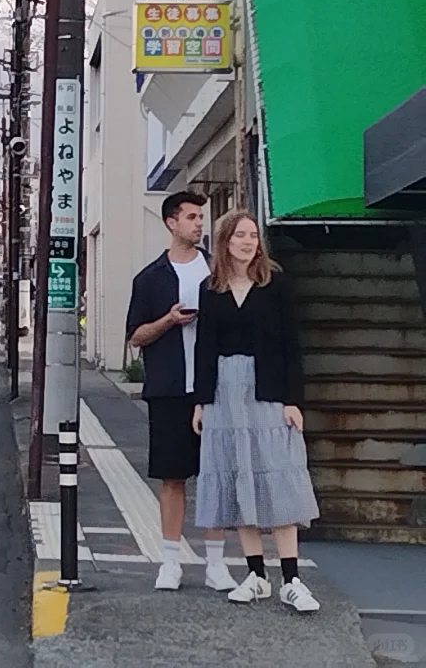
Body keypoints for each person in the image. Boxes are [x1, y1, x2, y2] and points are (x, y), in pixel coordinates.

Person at [193, 209, 320, 613]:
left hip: (267, 388)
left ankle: (292, 579)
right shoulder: (210, 288)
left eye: (252, 236)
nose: (248, 242)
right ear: (225, 241)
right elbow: (204, 347)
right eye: (240, 236)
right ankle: (255, 575)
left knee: (279, 478)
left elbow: (290, 344)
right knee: (236, 476)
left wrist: (292, 400)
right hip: (224, 391)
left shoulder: (276, 284)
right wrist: (200, 400)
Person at [125, 190, 233, 592]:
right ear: (171, 222)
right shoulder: (150, 278)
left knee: (215, 476)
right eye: (191, 217)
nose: (198, 224)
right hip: (170, 389)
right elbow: (136, 337)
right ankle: (170, 561)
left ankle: (216, 564)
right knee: (173, 478)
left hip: (214, 388)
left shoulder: (217, 271)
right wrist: (169, 320)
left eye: (200, 218)